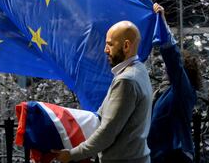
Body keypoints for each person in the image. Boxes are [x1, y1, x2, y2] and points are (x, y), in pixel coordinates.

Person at [53, 21, 153, 163]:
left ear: (126, 46)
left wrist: (71, 155)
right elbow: (102, 116)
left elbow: (107, 132)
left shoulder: (126, 80)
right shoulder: (139, 71)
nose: (105, 49)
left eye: (110, 44)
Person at [148, 4, 202, 163]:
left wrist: (163, 22)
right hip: (159, 154)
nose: (165, 69)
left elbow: (173, 60)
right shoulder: (164, 92)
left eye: (167, 68)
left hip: (175, 154)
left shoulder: (183, 91)